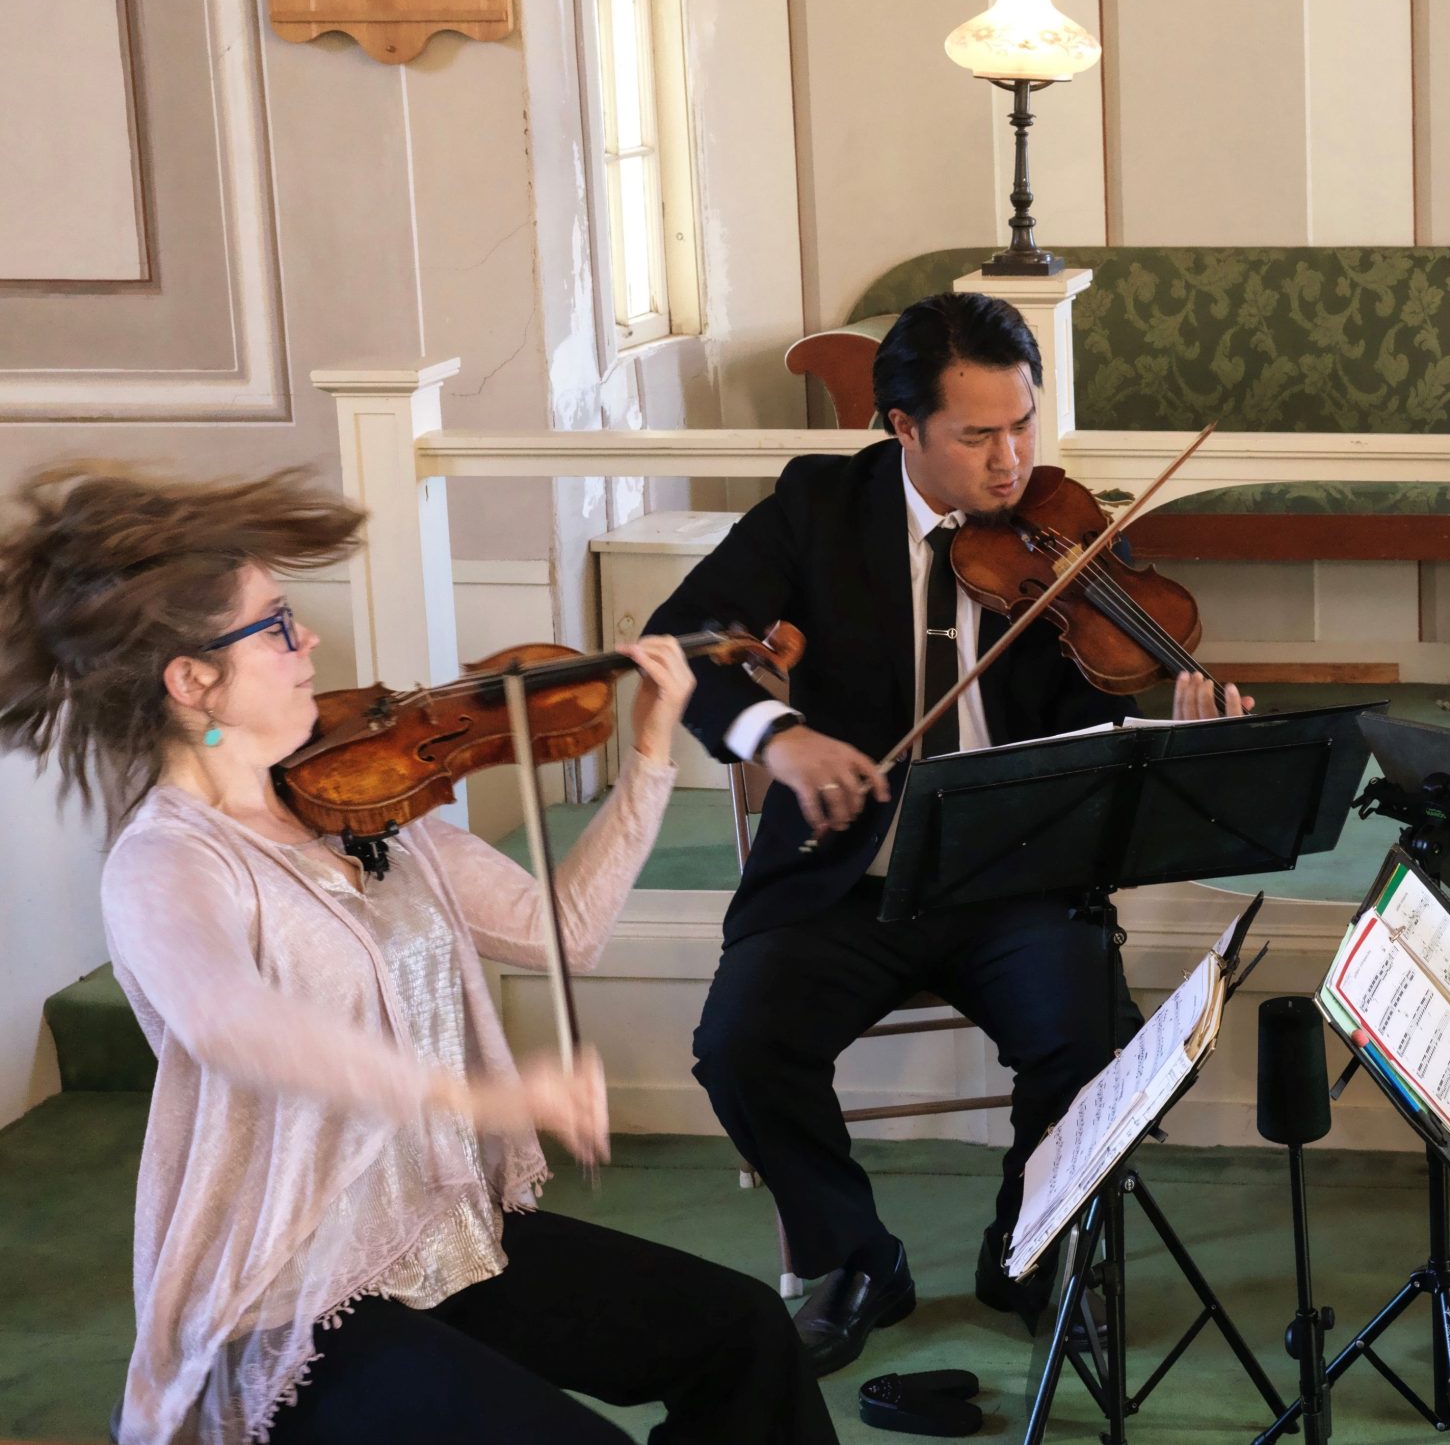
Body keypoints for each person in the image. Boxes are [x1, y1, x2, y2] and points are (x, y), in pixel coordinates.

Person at [0, 464, 834, 1445]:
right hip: (299, 1289)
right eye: (274, 625)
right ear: (193, 681)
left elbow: (560, 930)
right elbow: (240, 1031)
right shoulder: (167, 862)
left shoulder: (366, 793)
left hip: (441, 1231)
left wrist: (650, 751)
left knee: (741, 1331)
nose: (307, 639)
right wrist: (480, 1098)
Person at [652, 292, 1248, 1376]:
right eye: (977, 435)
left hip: (1014, 877)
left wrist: (1173, 730)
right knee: (740, 1047)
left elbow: (1102, 721)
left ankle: (1026, 1249)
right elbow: (679, 640)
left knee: (1091, 1045)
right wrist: (775, 736)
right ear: (901, 426)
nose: (1011, 459)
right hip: (850, 878)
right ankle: (854, 1257)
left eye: (1023, 423)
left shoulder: (1062, 535)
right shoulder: (815, 507)